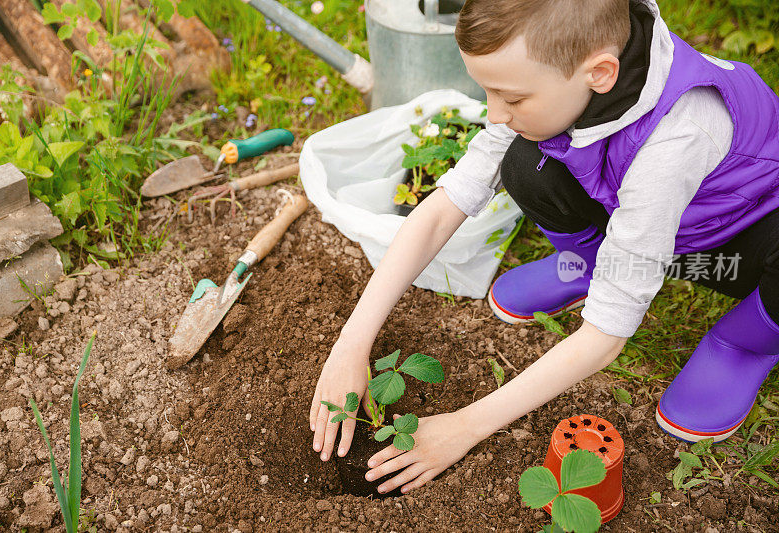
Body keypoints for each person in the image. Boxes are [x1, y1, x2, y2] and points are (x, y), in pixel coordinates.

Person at [309, 0, 779, 495]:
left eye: (510, 97)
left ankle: (742, 345)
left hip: (732, 242)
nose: (492, 112)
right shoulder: (561, 74)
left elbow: (606, 334)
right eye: (488, 91)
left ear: (599, 73)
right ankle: (587, 265)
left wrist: (464, 427)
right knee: (522, 161)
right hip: (640, 215)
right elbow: (444, 207)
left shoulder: (679, 133)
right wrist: (351, 344)